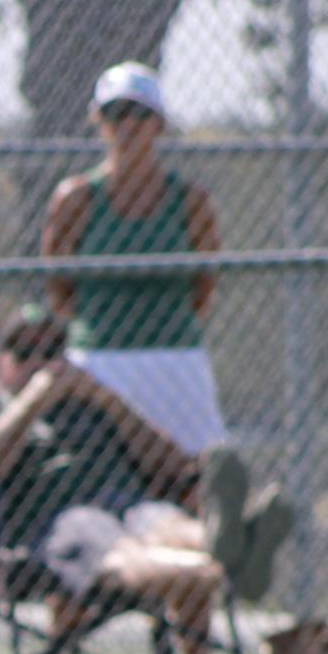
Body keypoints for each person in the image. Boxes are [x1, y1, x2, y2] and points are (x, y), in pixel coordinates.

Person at [0, 306, 291, 654]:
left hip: (129, 504)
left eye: (52, 350)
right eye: (25, 351)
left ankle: (223, 545)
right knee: (126, 550)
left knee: (173, 525)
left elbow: (174, 464)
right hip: (58, 520)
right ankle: (233, 565)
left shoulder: (92, 400)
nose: (41, 362)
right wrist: (32, 402)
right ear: (0, 363)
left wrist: (105, 399)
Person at [41, 62, 229, 460]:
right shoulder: (75, 199)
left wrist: (159, 326)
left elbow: (204, 286)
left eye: (140, 114)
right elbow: (59, 290)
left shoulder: (191, 201)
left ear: (159, 124)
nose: (127, 126)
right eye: (115, 114)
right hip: (99, 363)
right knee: (97, 474)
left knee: (197, 473)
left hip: (175, 359)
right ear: (97, 121)